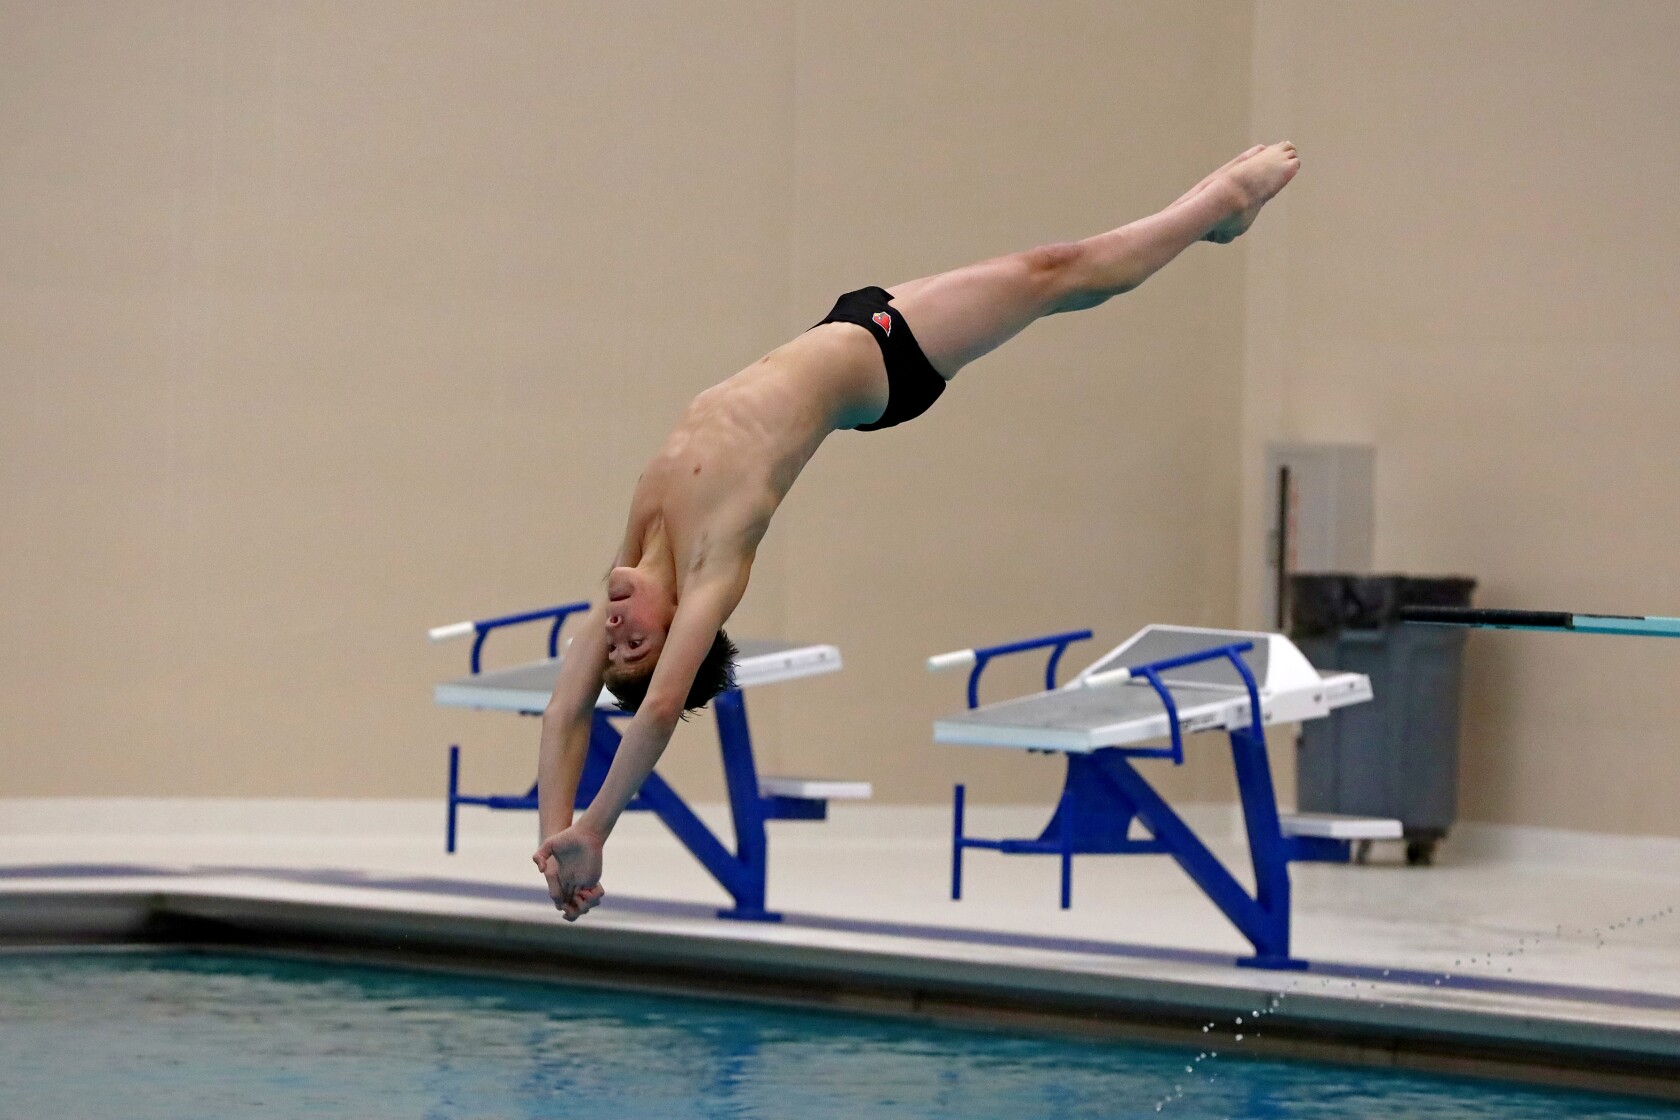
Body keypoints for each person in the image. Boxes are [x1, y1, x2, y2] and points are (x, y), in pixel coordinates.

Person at [534, 142, 1301, 920]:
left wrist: (556, 833)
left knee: (1052, 273)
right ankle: (1219, 209)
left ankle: (1212, 208)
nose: (616, 624)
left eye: (615, 640)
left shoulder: (633, 557)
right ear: (684, 629)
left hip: (840, 326)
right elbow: (659, 709)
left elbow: (566, 710)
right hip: (889, 367)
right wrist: (600, 828)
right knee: (1053, 272)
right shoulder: (712, 568)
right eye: (635, 642)